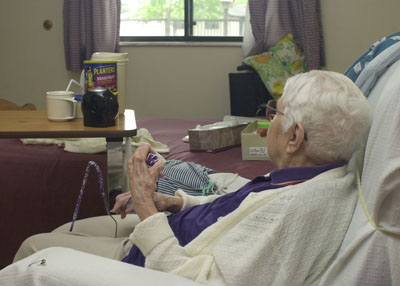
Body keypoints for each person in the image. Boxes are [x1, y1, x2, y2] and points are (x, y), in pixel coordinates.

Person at [11, 70, 372, 285]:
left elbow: (199, 280)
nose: (267, 125)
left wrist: (146, 209)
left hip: (158, 256)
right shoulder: (313, 177)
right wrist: (176, 201)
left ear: (295, 138)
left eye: (275, 115)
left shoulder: (295, 212)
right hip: (177, 225)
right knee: (63, 234)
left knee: (34, 247)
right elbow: (243, 205)